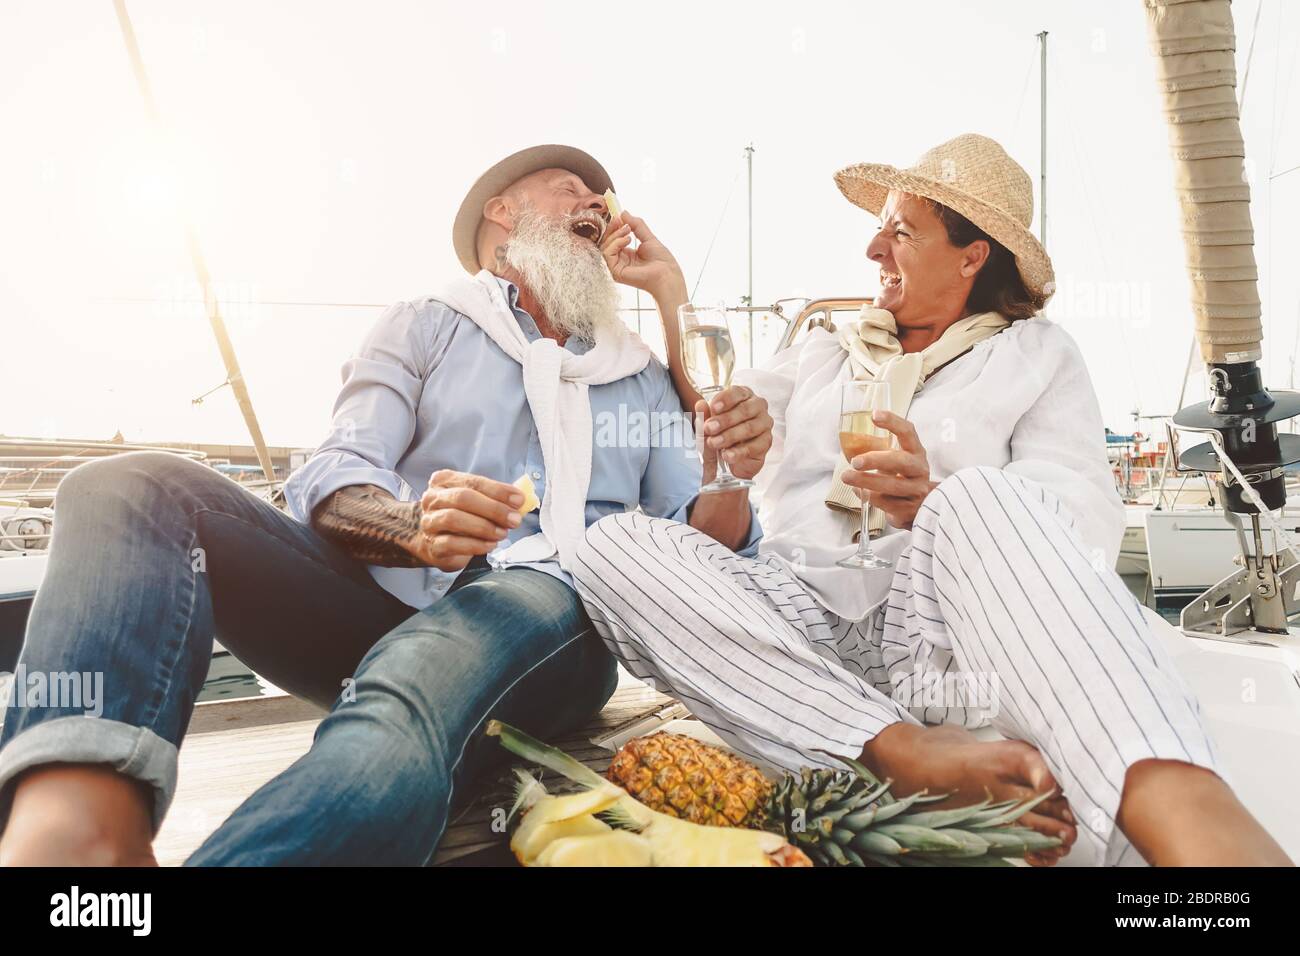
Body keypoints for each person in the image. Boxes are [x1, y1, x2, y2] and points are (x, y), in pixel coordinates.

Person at [0, 144, 773, 866]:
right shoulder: (427, 322)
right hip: (382, 595)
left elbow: (699, 546)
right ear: (502, 215)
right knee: (127, 489)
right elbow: (337, 468)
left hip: (553, 605)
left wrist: (725, 456)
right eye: (570, 187)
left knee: (406, 696)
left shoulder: (639, 375)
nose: (597, 201)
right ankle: (81, 841)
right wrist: (412, 528)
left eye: (604, 195)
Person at [570, 134, 1292, 866]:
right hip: (797, 632)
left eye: (900, 231)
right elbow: (722, 402)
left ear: (972, 255)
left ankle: (1189, 815)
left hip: (946, 638)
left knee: (976, 498)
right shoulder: (826, 350)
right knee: (612, 548)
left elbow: (1080, 529)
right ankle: (897, 750)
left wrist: (932, 499)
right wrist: (695, 343)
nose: (873, 249)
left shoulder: (1034, 356)